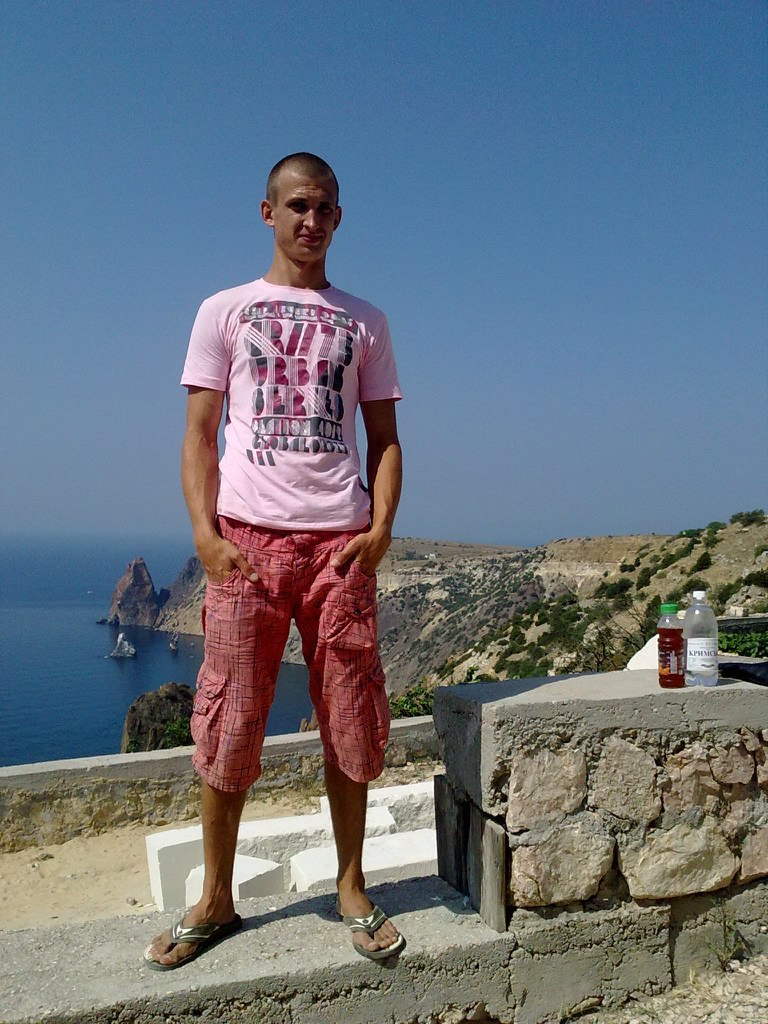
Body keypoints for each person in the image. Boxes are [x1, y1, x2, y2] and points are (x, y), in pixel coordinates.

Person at [145, 153, 404, 970]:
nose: (310, 221)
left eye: (323, 208)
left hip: (340, 551)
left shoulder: (365, 321)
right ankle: (216, 899)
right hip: (246, 548)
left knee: (351, 720)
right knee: (229, 721)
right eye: (297, 206)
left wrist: (381, 528)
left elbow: (385, 439)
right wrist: (206, 537)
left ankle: (352, 888)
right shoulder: (223, 311)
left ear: (339, 217)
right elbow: (198, 434)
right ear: (267, 212)